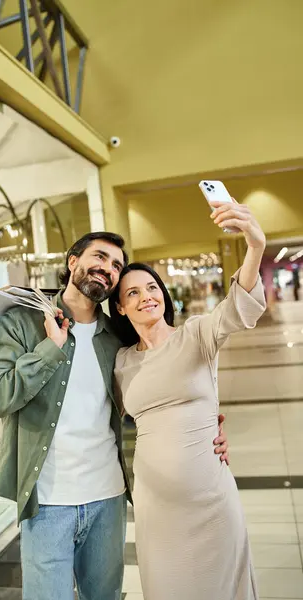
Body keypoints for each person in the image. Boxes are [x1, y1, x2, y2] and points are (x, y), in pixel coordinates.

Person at [0, 231, 230, 600]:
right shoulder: (23, 322)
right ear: (73, 262)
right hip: (48, 503)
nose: (107, 269)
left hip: (108, 498)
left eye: (116, 265)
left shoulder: (116, 337)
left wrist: (208, 428)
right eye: (99, 257)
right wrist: (50, 348)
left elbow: (161, 394)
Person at [109, 199, 266, 600]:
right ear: (121, 307)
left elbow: (238, 308)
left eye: (151, 288)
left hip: (211, 500)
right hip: (155, 507)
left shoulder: (195, 334)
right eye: (133, 293)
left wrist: (255, 246)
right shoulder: (122, 362)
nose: (146, 297)